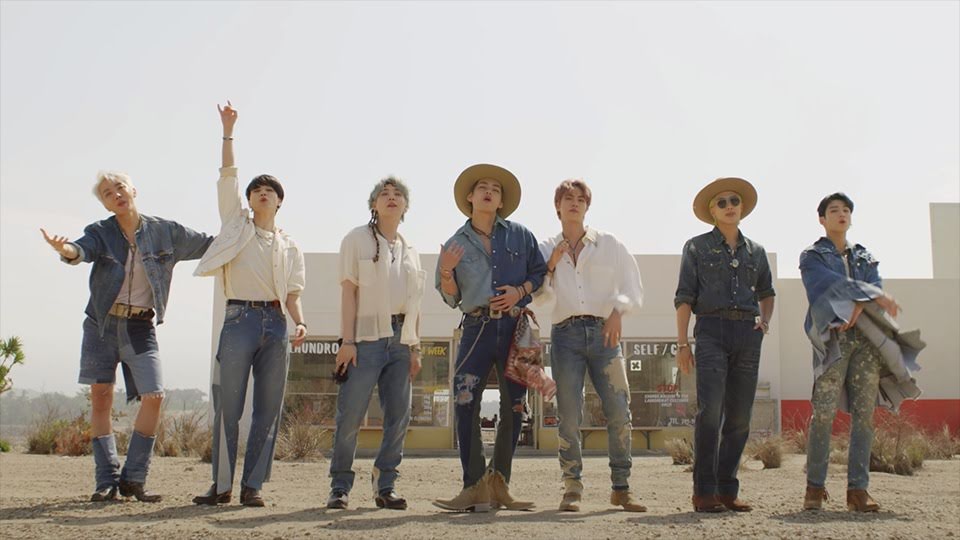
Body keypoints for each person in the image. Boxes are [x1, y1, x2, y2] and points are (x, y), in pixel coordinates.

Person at [41, 171, 212, 502]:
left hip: (140, 326)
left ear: (133, 190)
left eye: (120, 187)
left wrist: (247, 229)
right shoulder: (100, 231)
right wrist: (66, 249)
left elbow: (209, 243)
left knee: (154, 395)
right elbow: (81, 250)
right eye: (108, 193)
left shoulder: (166, 231)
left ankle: (134, 478)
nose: (116, 194)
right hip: (101, 324)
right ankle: (106, 480)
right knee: (101, 396)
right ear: (105, 204)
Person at [192, 102, 306, 507]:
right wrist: (228, 132)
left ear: (279, 201)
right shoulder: (234, 224)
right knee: (228, 404)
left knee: (268, 409)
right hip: (238, 318)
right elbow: (228, 176)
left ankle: (253, 485)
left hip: (275, 322)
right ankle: (221, 485)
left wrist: (300, 322)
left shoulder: (290, 246)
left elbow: (293, 293)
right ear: (249, 199)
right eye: (257, 189)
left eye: (270, 190)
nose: (262, 192)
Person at [433, 163, 547, 512]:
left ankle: (499, 485)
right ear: (470, 197)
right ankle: (474, 486)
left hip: (517, 329)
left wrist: (519, 292)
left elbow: (539, 273)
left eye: (496, 190)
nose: (489, 192)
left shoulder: (521, 235)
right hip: (476, 328)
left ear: (501, 202)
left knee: (516, 407)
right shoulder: (455, 243)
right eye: (482, 187)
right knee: (465, 401)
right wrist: (446, 271)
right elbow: (450, 297)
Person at [534, 179, 646, 512]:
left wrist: (618, 312)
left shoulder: (609, 244)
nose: (574, 203)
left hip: (604, 334)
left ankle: (621, 488)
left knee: (619, 411)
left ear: (587, 206)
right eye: (568, 198)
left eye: (581, 198)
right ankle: (572, 489)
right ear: (557, 206)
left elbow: (632, 286)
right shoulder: (544, 247)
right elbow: (539, 299)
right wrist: (550, 265)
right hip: (564, 336)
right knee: (568, 414)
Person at [674, 177, 775, 513]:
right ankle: (704, 492)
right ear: (712, 211)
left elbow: (767, 293)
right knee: (711, 411)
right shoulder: (696, 247)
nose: (730, 206)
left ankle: (727, 490)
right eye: (722, 202)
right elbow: (684, 297)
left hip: (747, 333)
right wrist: (682, 344)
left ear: (741, 207)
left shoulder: (756, 252)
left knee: (741, 416)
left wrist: (764, 322)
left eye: (734, 201)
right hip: (711, 331)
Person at [799, 193, 905, 512]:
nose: (841, 214)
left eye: (846, 210)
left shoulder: (865, 256)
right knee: (823, 412)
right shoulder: (812, 256)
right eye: (834, 210)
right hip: (833, 338)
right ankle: (814, 488)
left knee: (864, 415)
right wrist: (865, 296)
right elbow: (824, 286)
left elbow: (876, 287)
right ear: (822, 219)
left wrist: (862, 300)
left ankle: (858, 491)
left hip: (866, 341)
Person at [326, 177, 424, 511]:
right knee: (350, 415)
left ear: (405, 206)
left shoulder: (411, 252)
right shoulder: (356, 240)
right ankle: (340, 486)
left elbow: (416, 304)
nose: (392, 197)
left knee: (399, 416)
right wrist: (347, 341)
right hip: (364, 340)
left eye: (398, 194)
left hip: (401, 340)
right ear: (374, 205)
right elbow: (348, 292)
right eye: (384, 194)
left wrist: (414, 348)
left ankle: (386, 485)